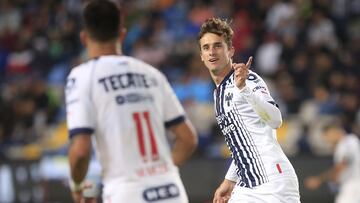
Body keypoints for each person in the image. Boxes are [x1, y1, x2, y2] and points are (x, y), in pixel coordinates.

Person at [65, 1, 198, 203]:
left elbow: (81, 150)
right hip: (171, 190)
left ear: (84, 38)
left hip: (126, 191)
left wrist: (77, 185)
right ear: (123, 34)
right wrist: (161, 173)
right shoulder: (152, 74)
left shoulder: (82, 76)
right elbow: (188, 139)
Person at [197, 18, 300, 203]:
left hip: (273, 181)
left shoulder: (247, 78)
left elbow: (276, 120)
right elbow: (243, 142)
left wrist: (244, 89)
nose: (212, 52)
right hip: (247, 185)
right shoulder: (217, 93)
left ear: (231, 50)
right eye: (206, 47)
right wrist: (229, 180)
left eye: (218, 46)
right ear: (201, 55)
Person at [304, 124, 360, 203]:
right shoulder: (342, 145)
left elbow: (343, 163)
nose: (327, 140)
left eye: (328, 136)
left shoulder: (348, 140)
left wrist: (319, 179)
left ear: (334, 131)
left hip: (354, 186)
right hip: (349, 186)